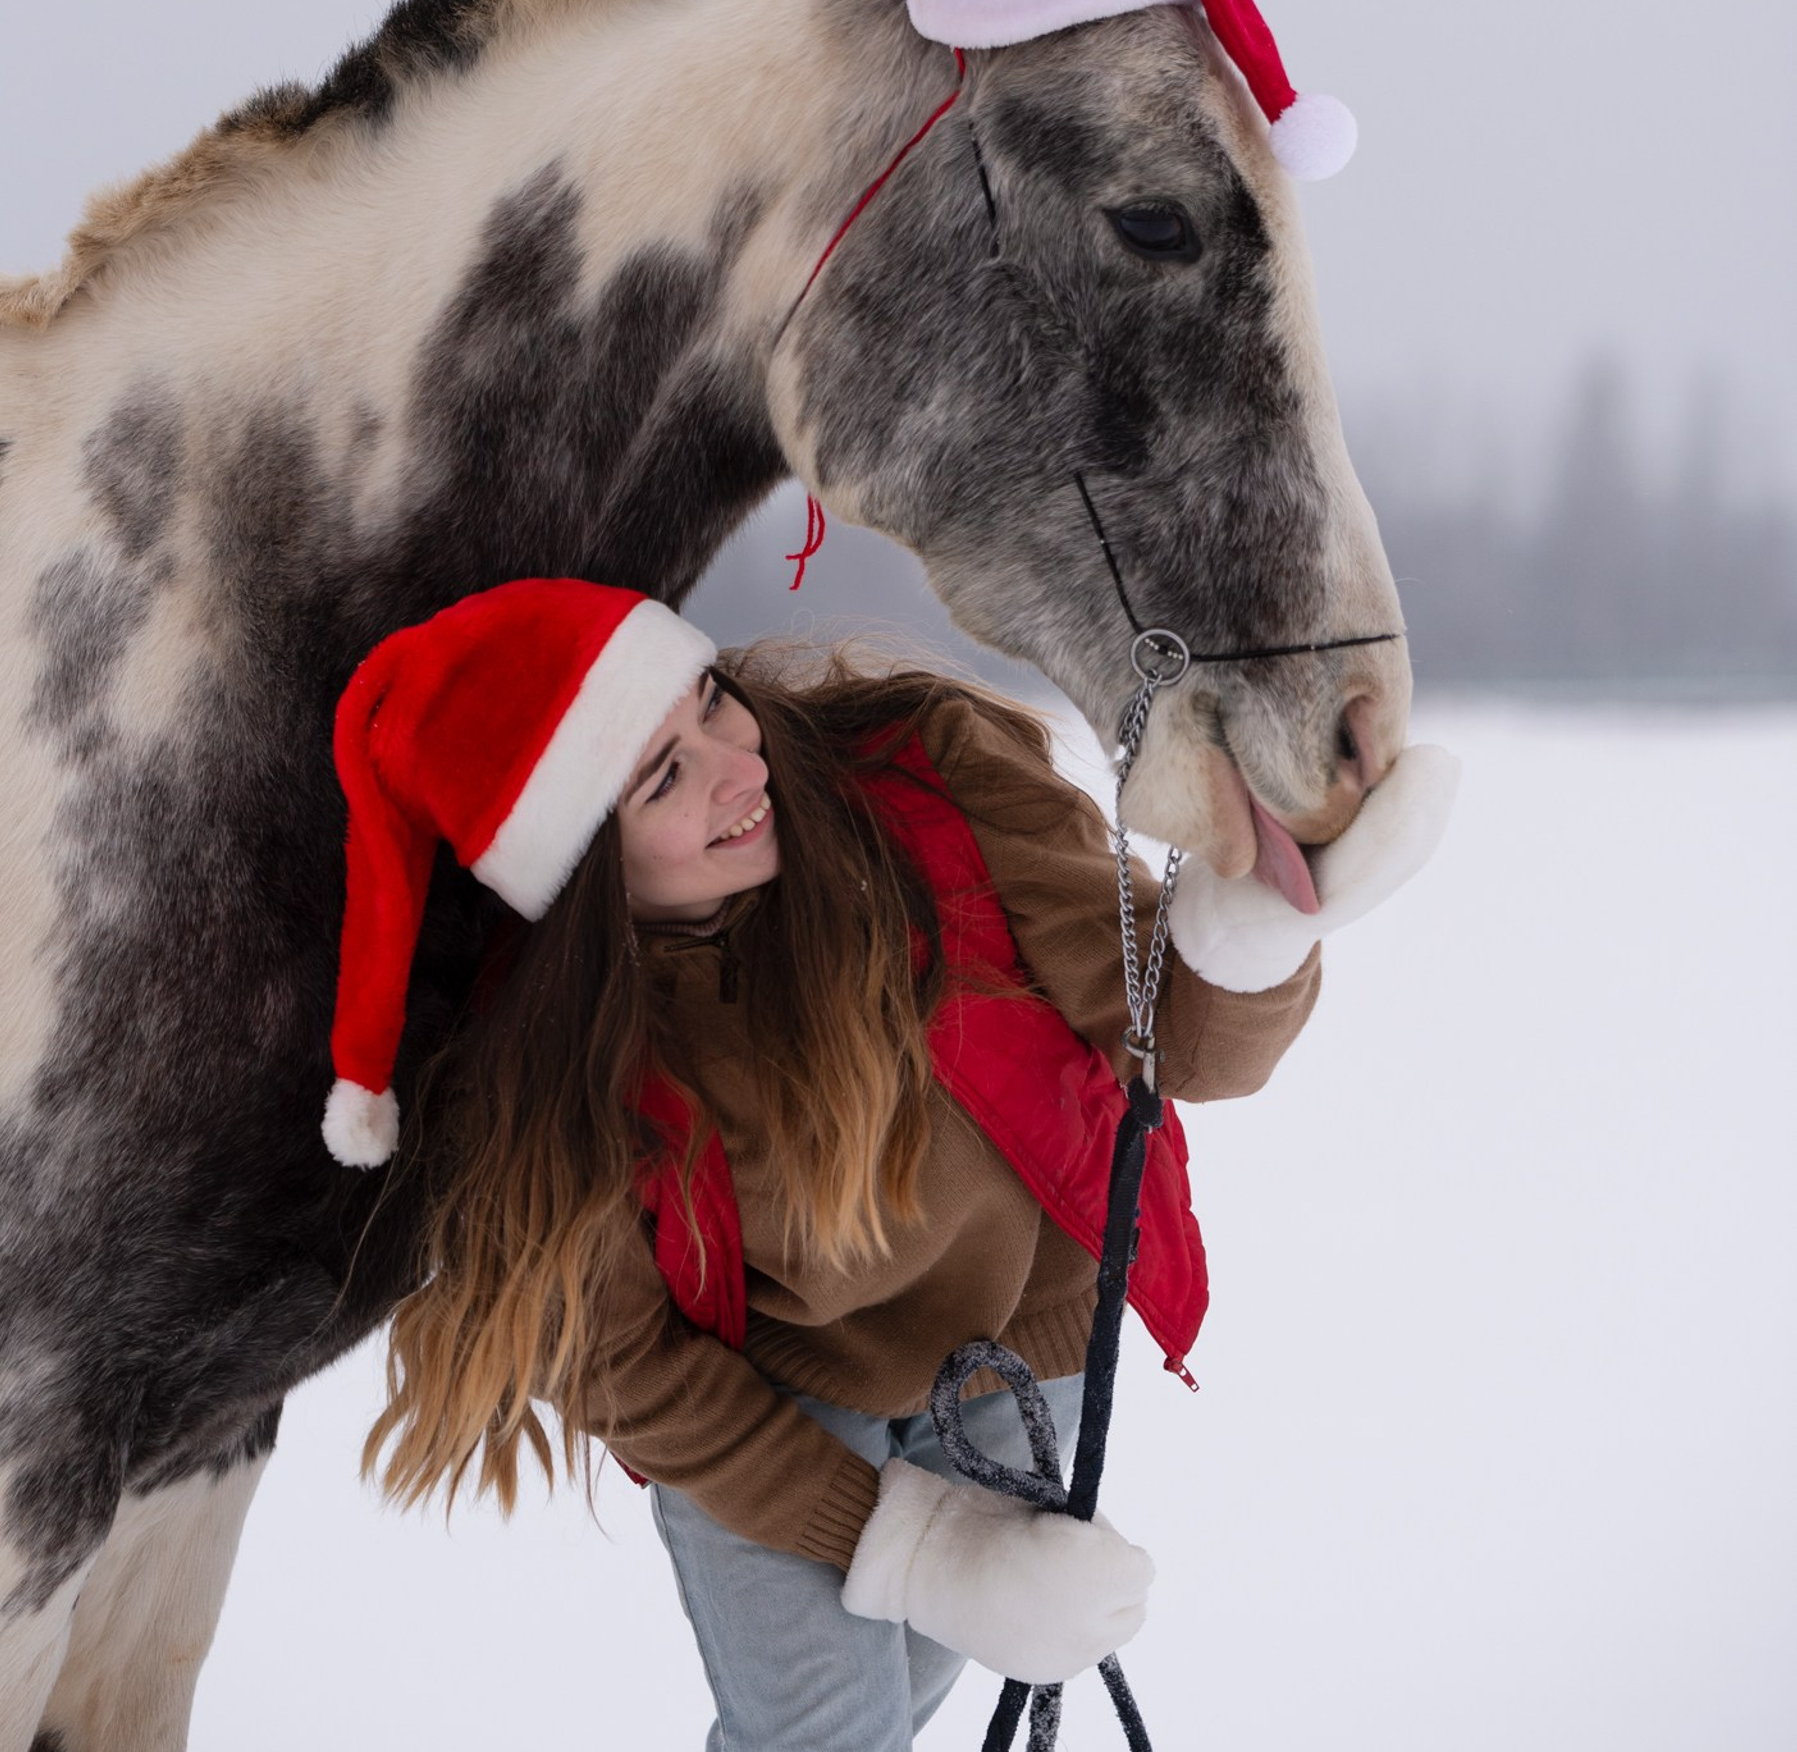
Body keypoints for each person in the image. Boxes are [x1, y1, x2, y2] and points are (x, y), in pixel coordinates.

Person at [318, 577, 1454, 1751]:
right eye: (664, 776)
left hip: (1019, 1327)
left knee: (880, 1717)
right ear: (578, 869)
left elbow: (1175, 1041)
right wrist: (915, 1551)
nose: (736, 765)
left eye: (712, 702)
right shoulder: (562, 1074)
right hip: (761, 1399)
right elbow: (627, 1367)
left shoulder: (928, 791)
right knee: (828, 1737)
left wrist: (1259, 924)